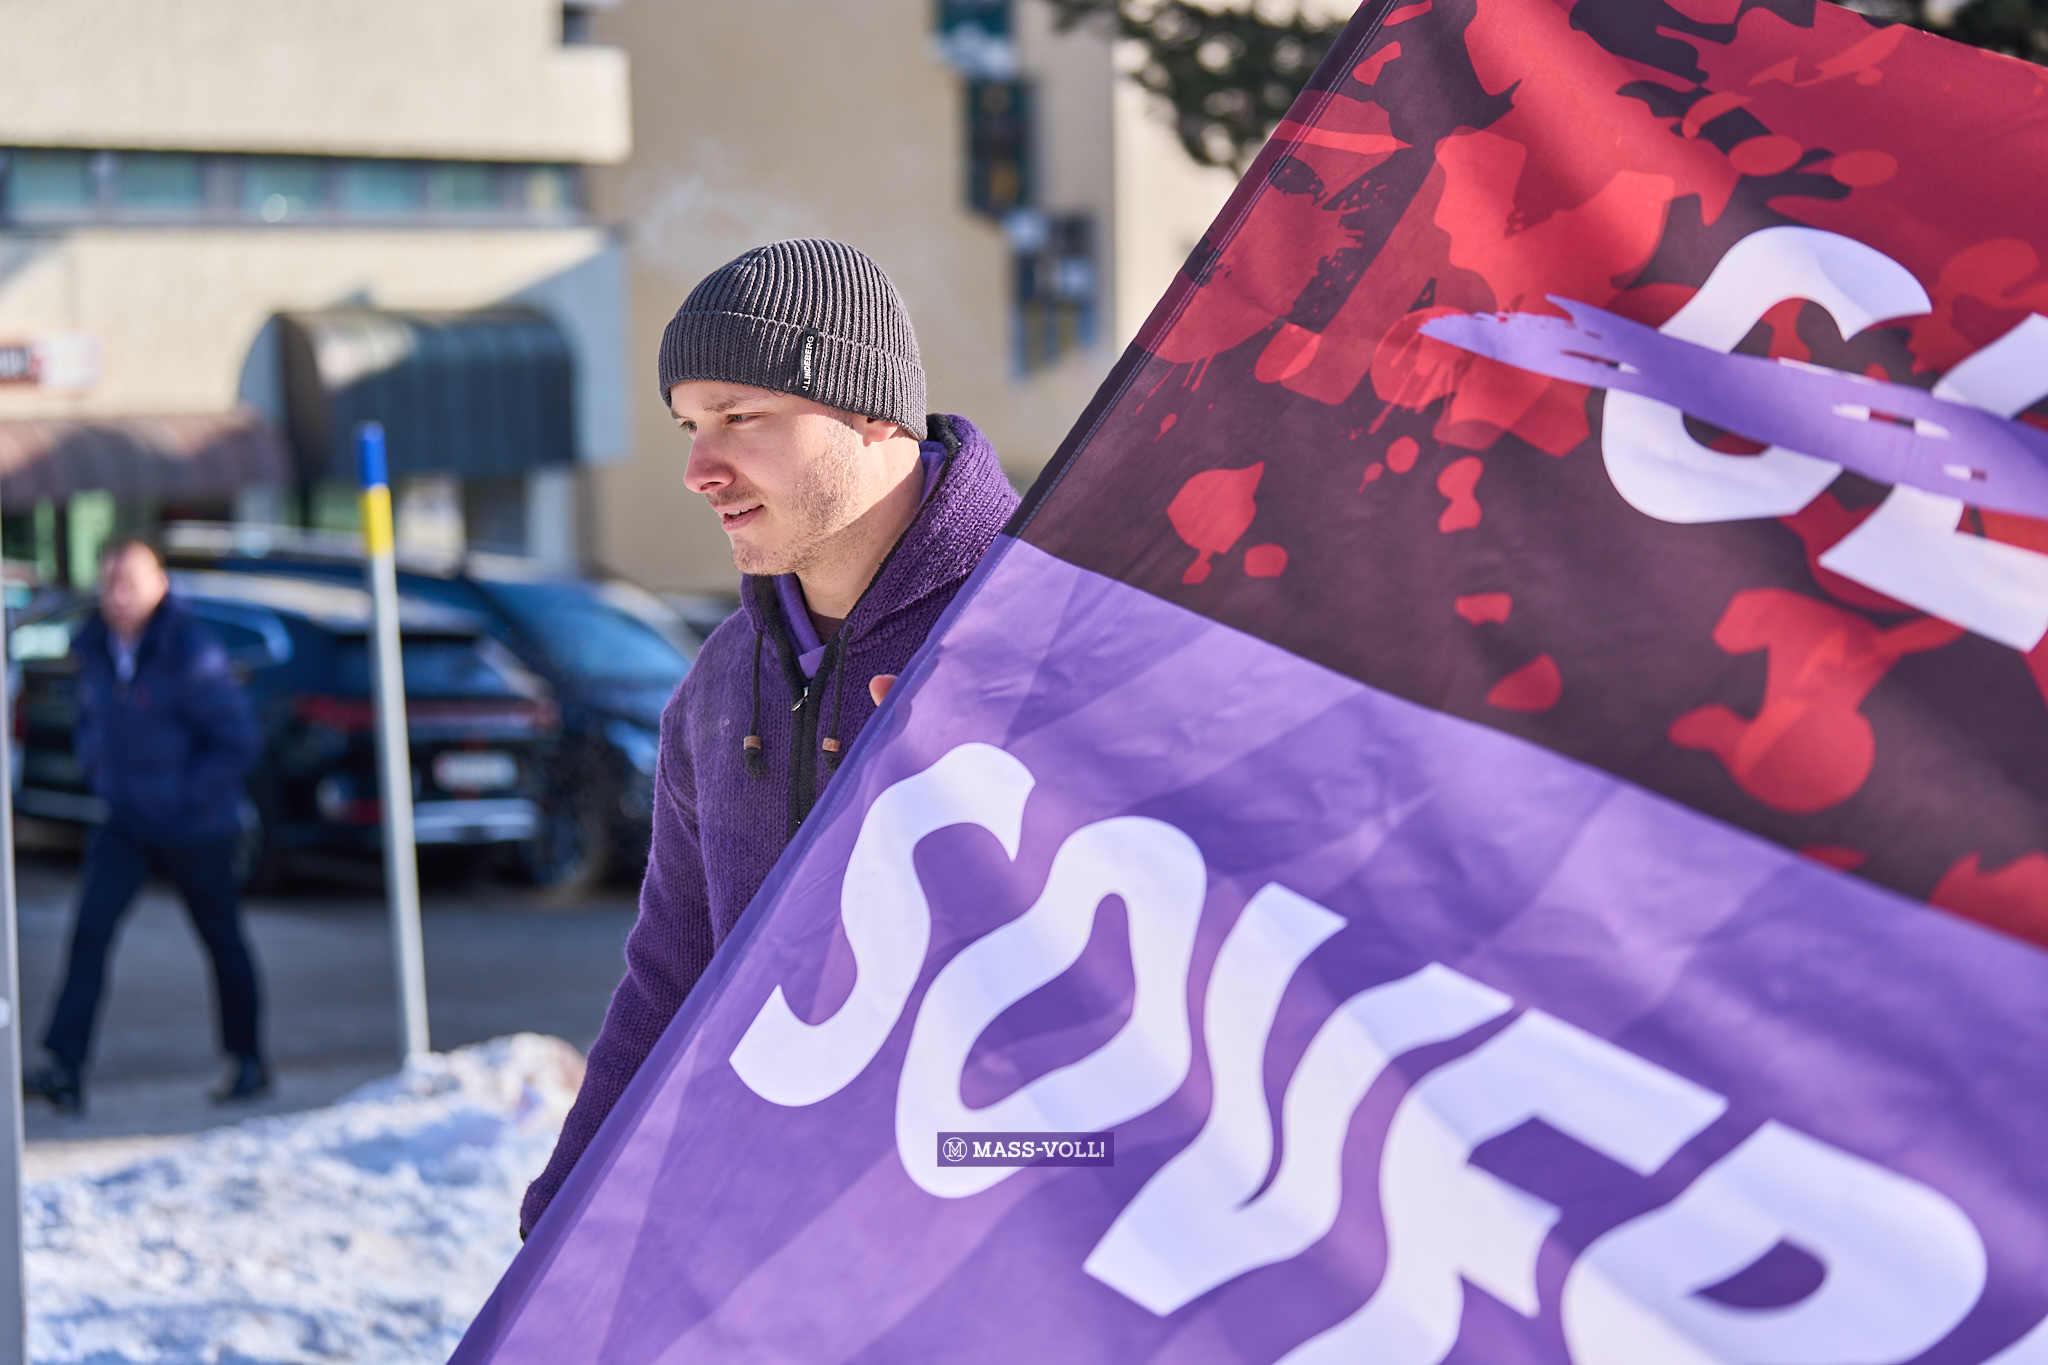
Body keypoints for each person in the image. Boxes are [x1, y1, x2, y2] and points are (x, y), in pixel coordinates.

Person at [519, 238, 1021, 1237]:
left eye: (739, 417)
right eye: (688, 426)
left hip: (1008, 1234)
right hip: (794, 1236)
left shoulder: (1041, 623)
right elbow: (675, 974)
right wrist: (564, 1218)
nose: (698, 470)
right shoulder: (717, 688)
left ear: (869, 409)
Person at [25, 537, 267, 1113]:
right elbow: (91, 722)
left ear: (160, 584)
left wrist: (185, 795)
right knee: (90, 933)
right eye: (109, 582)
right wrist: (99, 770)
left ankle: (248, 1061)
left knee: (222, 939)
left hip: (196, 826)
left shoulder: (190, 651)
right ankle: (64, 1067)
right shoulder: (95, 646)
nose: (118, 596)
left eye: (130, 583)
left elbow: (238, 740)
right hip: (127, 821)